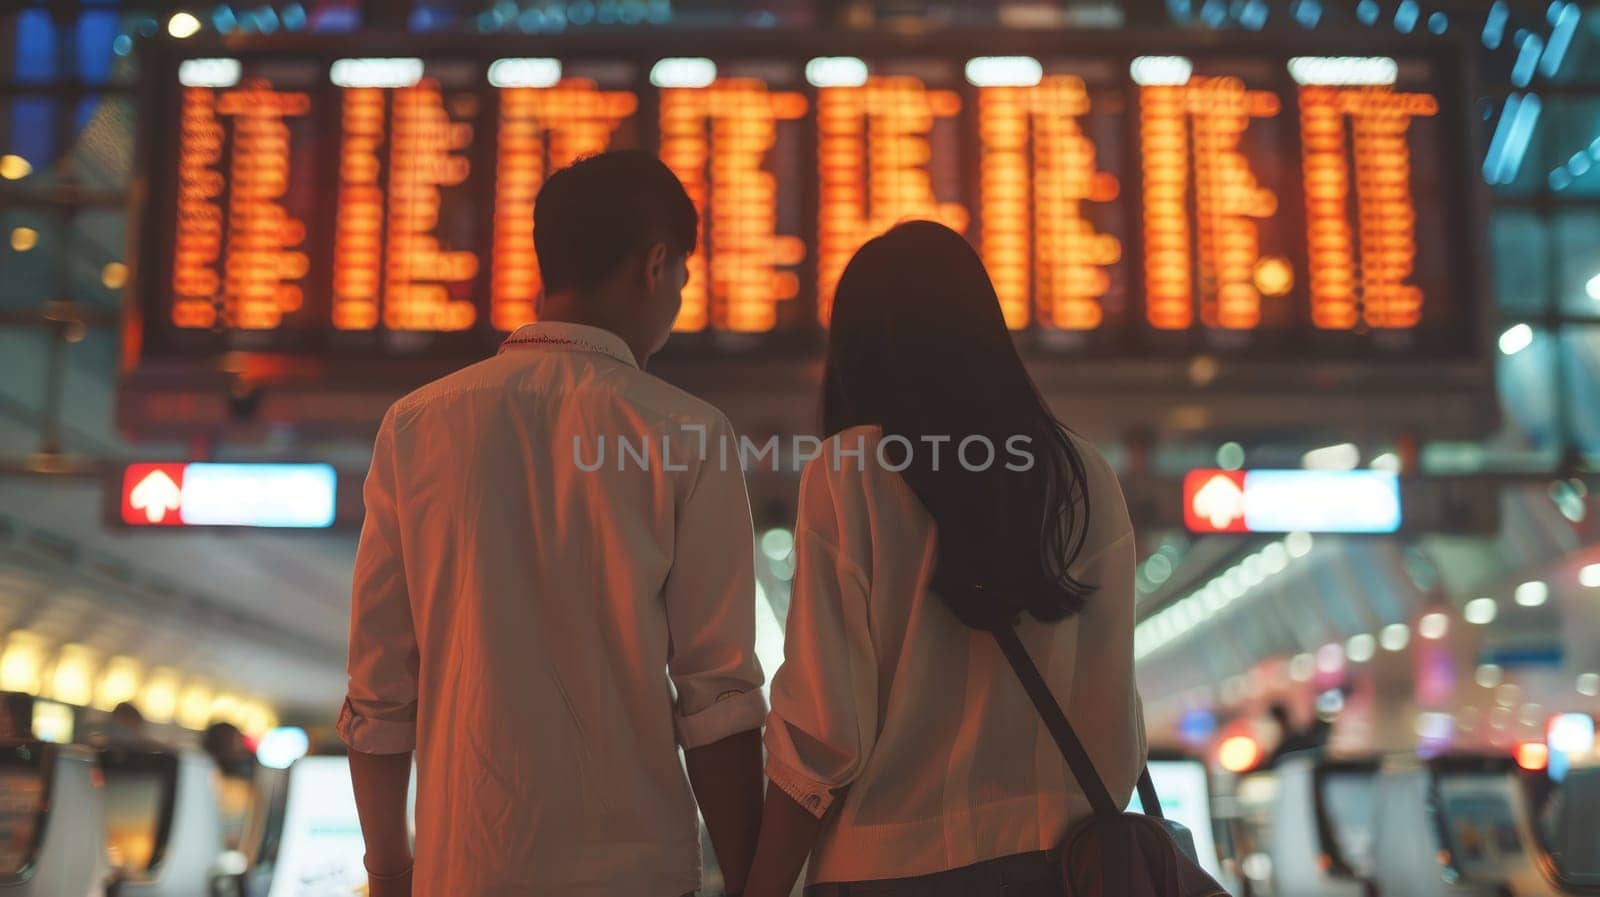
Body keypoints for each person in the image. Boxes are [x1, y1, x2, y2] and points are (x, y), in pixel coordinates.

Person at [340, 150, 767, 897]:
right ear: (656, 264)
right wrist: (752, 881)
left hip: (464, 874)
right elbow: (717, 699)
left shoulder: (415, 426)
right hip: (636, 878)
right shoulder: (690, 433)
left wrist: (390, 874)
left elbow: (379, 694)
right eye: (683, 280)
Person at [744, 221, 1146, 897]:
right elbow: (1116, 729)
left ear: (858, 349)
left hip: (886, 870)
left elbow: (824, 732)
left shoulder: (853, 473)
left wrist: (760, 883)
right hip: (1064, 870)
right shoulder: (1085, 477)